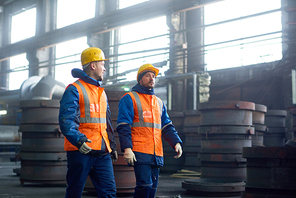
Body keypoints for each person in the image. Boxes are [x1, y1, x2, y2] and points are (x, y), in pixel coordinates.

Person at [116, 63, 183, 198]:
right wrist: (127, 149)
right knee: (144, 186)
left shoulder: (158, 102)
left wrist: (176, 142)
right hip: (140, 151)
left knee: (152, 189)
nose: (152, 78)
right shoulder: (130, 98)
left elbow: (167, 126)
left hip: (156, 153)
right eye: (147, 76)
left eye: (153, 76)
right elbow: (123, 126)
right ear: (140, 79)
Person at [59, 47, 118, 198]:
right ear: (93, 65)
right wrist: (79, 140)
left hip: (102, 151)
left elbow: (106, 123)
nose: (104, 69)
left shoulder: (101, 92)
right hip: (81, 150)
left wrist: (111, 144)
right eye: (102, 64)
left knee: (109, 192)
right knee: (75, 192)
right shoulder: (74, 89)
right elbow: (67, 120)